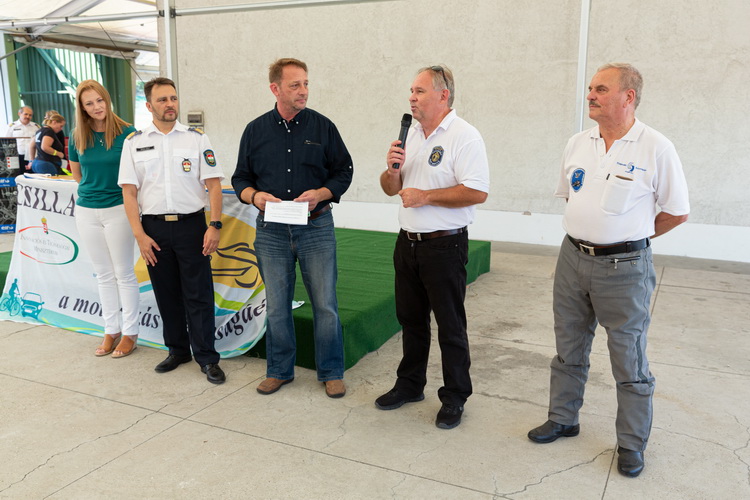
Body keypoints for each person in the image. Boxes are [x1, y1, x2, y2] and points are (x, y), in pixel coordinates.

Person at [527, 63, 690, 478]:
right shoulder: (577, 143)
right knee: (569, 345)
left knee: (628, 358)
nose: (590, 95)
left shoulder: (656, 147)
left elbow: (677, 211)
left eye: (601, 89)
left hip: (625, 269)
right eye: (590, 88)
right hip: (572, 259)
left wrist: (629, 236)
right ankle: (563, 418)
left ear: (628, 96)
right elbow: (572, 198)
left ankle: (631, 444)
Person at [375, 65, 490, 429]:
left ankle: (455, 396)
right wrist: (392, 171)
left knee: (450, 326)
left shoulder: (464, 136)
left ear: (443, 95)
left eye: (420, 91)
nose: (412, 97)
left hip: (444, 246)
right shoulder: (409, 134)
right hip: (407, 243)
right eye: (411, 91)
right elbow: (390, 189)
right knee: (411, 320)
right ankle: (410, 384)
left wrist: (426, 196)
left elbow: (477, 191)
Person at [232, 58, 353, 398]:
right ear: (275, 89)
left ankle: (331, 371)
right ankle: (279, 371)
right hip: (271, 232)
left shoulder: (323, 127)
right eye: (295, 85)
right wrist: (254, 196)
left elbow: (343, 171)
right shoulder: (255, 130)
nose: (304, 91)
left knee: (325, 303)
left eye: (306, 83)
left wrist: (321, 193)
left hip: (316, 227)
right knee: (276, 305)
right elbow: (240, 178)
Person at [118, 77, 226, 384]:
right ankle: (178, 351)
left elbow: (214, 185)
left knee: (199, 295)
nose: (170, 104)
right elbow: (129, 192)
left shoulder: (196, 139)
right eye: (163, 99)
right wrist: (140, 235)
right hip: (153, 230)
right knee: (166, 295)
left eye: (173, 98)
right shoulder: (134, 142)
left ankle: (207, 358)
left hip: (192, 227)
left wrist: (214, 225)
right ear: (149, 105)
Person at [68, 80, 139, 358]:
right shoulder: (77, 136)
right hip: (86, 210)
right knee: (104, 274)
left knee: (124, 272)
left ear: (107, 99)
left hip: (119, 208)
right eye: (89, 103)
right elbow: (77, 174)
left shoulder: (128, 133)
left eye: (99, 100)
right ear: (82, 108)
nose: (96, 107)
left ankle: (130, 332)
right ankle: (111, 330)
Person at [3, 106, 40, 172]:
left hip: (32, 156)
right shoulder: (12, 126)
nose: (28, 117)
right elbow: (6, 142)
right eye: (26, 114)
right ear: (19, 114)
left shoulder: (36, 126)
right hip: (17, 156)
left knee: (33, 174)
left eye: (30, 115)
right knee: (18, 174)